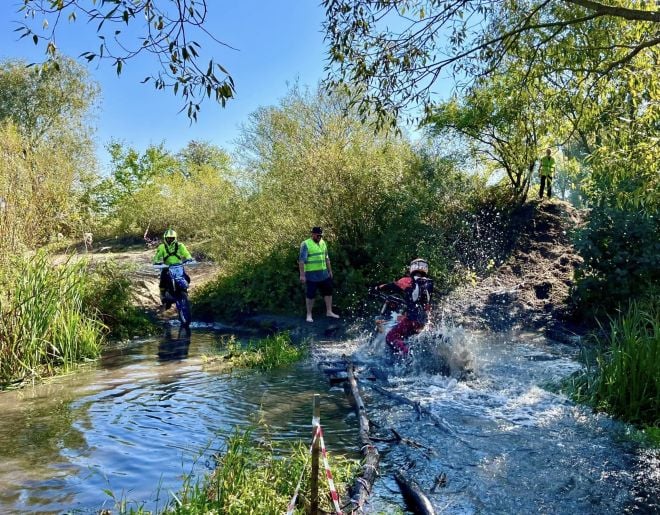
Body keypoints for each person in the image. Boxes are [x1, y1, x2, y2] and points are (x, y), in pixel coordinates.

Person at [374, 258, 434, 356]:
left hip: (411, 321)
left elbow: (391, 286)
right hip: (423, 322)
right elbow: (427, 306)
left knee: (391, 336)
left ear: (412, 268)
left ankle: (406, 355)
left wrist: (377, 288)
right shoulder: (429, 283)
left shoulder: (407, 280)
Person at [299, 226, 339, 322]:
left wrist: (330, 271)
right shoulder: (306, 244)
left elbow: (327, 258)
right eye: (318, 235)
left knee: (328, 291)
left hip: (324, 274)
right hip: (311, 275)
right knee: (311, 295)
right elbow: (301, 261)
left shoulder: (323, 242)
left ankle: (329, 311)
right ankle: (309, 315)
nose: (319, 237)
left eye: (321, 235)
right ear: (312, 234)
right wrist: (302, 275)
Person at [153, 228, 192, 308]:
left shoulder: (180, 245)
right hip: (167, 267)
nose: (170, 239)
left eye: (172, 238)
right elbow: (157, 256)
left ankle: (184, 292)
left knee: (187, 278)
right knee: (163, 281)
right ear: (165, 238)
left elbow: (186, 253)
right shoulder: (162, 247)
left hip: (178, 266)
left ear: (175, 238)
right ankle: (163, 295)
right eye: (168, 238)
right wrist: (156, 262)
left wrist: (189, 258)